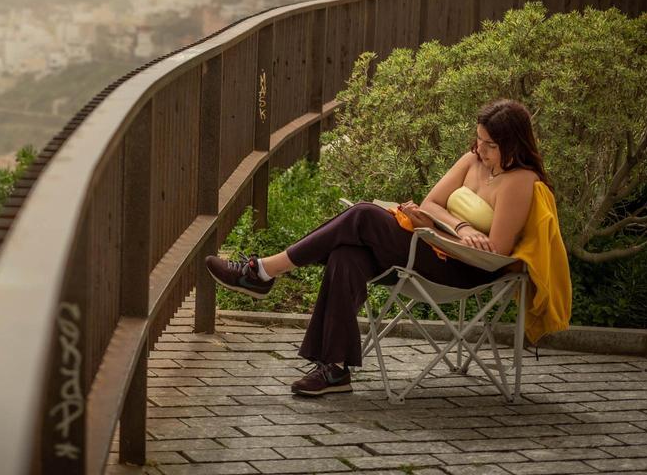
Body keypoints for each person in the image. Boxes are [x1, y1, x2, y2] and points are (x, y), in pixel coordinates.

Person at [206, 98, 566, 397]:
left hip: (463, 268)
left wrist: (442, 233)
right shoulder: (472, 160)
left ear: (513, 144)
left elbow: (495, 252)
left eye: (490, 144)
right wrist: (456, 225)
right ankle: (334, 370)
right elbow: (432, 202)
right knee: (347, 255)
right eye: (479, 140)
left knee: (363, 215)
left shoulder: (520, 182)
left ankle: (262, 272)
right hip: (433, 243)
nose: (480, 149)